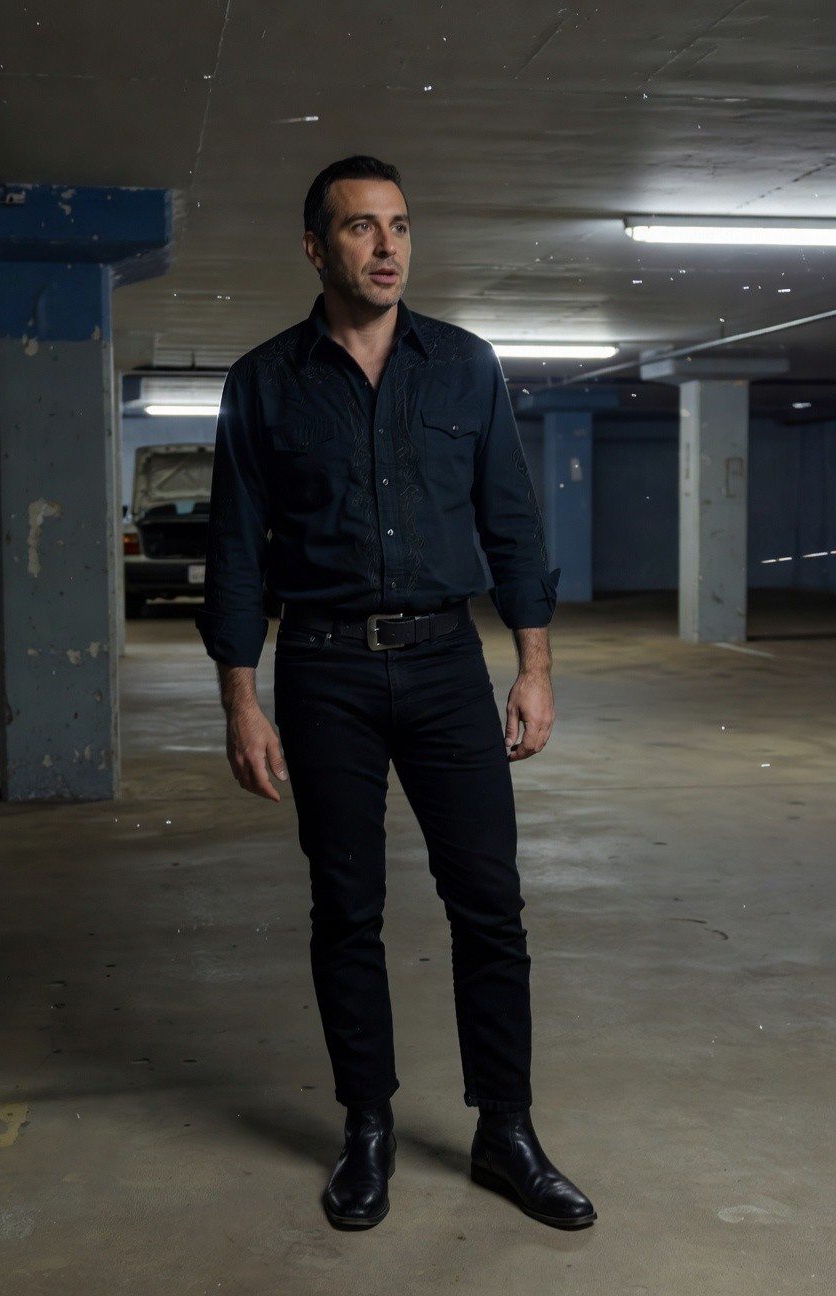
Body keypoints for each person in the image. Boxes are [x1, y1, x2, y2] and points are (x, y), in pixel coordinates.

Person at [196, 155, 596, 1232]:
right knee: (348, 911)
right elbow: (234, 553)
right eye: (362, 228)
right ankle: (366, 1126)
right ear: (317, 246)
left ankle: (505, 1130)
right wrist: (242, 698)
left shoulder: (463, 367)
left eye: (401, 226)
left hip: (443, 664)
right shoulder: (264, 383)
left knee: (490, 907)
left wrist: (535, 667)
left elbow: (511, 523)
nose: (388, 247)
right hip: (321, 669)